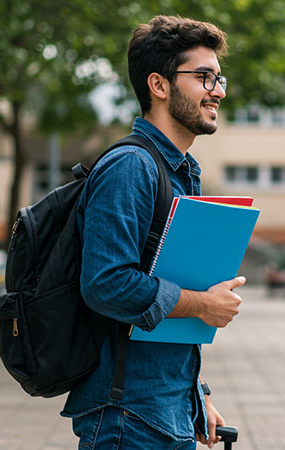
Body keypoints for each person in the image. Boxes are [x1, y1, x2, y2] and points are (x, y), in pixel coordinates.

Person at [61, 16, 238, 449]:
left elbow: (169, 289)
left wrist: (197, 394)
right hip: (128, 417)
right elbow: (106, 284)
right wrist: (204, 304)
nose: (217, 90)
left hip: (166, 408)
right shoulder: (131, 167)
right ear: (158, 85)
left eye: (218, 79)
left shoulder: (180, 172)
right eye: (204, 77)